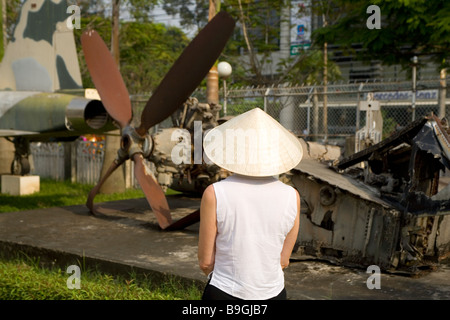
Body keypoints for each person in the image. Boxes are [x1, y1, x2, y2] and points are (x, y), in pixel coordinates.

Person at [198, 107, 303, 300]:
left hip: (225, 292)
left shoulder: (215, 193)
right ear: (275, 152)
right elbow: (283, 260)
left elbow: (206, 262)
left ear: (233, 149)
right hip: (274, 293)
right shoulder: (292, 196)